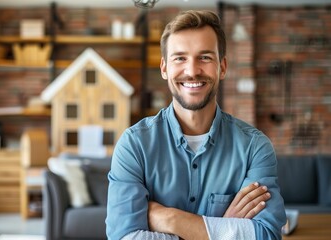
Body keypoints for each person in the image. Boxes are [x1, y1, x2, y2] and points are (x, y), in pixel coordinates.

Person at [106, 10, 286, 240]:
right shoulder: (134, 145)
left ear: (222, 67)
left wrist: (170, 219)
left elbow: (266, 235)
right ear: (164, 68)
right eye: (180, 58)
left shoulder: (255, 147)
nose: (192, 71)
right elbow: (125, 237)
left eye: (205, 57)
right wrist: (224, 228)